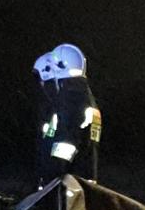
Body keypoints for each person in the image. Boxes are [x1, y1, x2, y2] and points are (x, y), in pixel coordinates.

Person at [33, 43, 100, 185]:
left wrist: (50, 177)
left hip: (68, 186)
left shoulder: (73, 102)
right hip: (80, 185)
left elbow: (66, 143)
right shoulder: (83, 99)